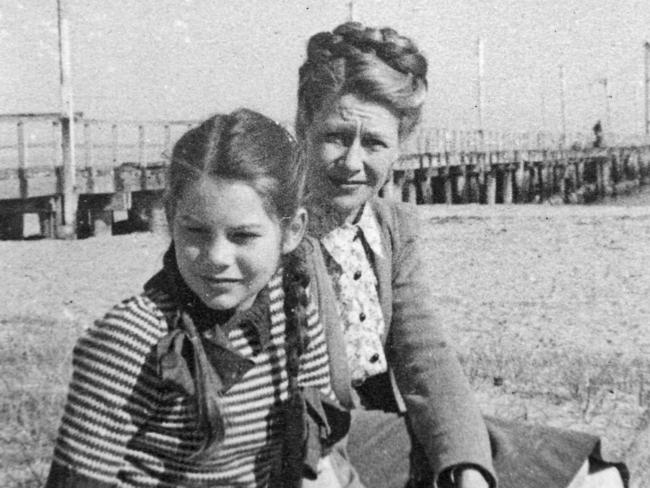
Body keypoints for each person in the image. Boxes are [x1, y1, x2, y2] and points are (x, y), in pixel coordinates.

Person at [294, 22, 628, 488]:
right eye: (335, 135)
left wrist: (467, 466)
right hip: (308, 444)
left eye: (373, 143)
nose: (351, 162)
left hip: (378, 429)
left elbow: (425, 355)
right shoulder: (279, 230)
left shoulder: (390, 227)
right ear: (303, 126)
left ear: (400, 149)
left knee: (593, 477)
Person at [44, 108, 347, 488]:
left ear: (292, 231)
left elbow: (317, 468)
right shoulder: (131, 339)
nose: (216, 258)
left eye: (242, 236)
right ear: (171, 219)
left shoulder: (295, 313)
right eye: (196, 232)